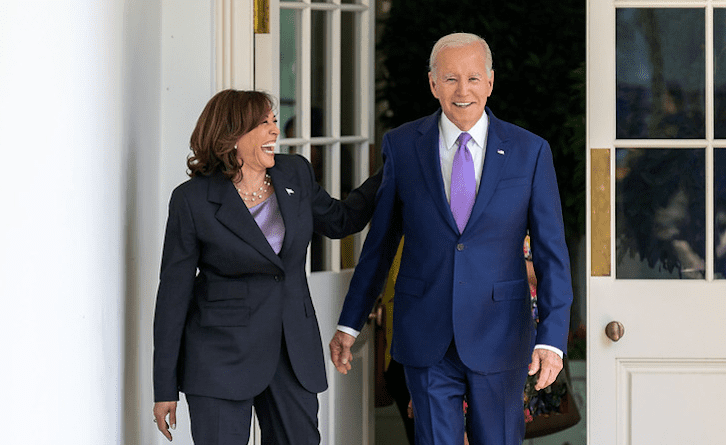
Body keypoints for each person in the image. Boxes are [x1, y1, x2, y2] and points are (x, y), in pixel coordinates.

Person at [329, 33, 574, 444]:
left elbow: (552, 253)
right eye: (451, 79)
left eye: (474, 78)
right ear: (433, 84)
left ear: (490, 82)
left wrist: (552, 338)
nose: (463, 91)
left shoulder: (530, 152)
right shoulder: (402, 146)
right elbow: (380, 243)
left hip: (501, 335)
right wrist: (349, 324)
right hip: (426, 333)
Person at [152, 89, 380, 444]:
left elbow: (341, 220)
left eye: (275, 121)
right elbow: (173, 295)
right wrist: (164, 386)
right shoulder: (191, 200)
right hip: (219, 357)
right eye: (264, 123)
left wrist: (395, 168)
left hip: (292, 354)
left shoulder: (295, 174)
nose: (275, 131)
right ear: (232, 135)